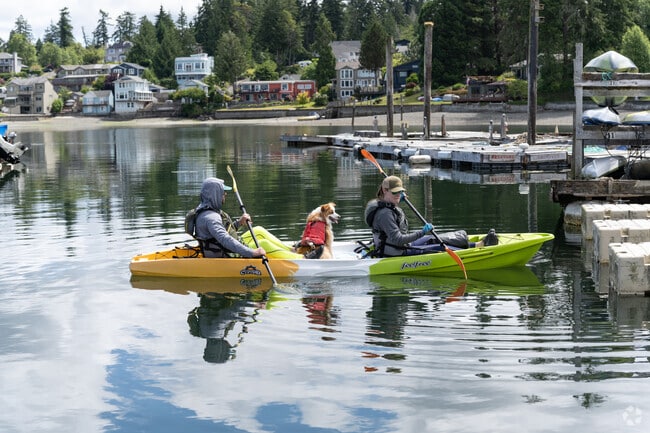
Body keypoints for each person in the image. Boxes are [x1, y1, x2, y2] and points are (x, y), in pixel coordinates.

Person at [364, 175, 498, 257]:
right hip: (396, 251)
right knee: (438, 247)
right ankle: (478, 248)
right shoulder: (384, 214)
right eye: (395, 192)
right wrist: (421, 232)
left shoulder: (386, 204)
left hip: (397, 246)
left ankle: (473, 244)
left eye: (400, 192)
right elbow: (398, 240)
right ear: (384, 190)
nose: (398, 195)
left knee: (433, 238)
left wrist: (398, 198)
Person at [193, 177, 266, 258]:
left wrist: (239, 223)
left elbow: (223, 232)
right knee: (264, 244)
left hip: (225, 247)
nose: (225, 194)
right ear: (215, 194)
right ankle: (282, 265)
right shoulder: (211, 218)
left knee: (259, 230)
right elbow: (225, 239)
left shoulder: (208, 211)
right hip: (224, 254)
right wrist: (251, 252)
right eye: (223, 192)